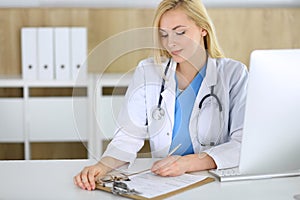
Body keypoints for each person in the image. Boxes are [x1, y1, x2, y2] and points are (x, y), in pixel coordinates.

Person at [74, 0, 248, 191]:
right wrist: (102, 166)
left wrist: (187, 163)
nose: (170, 43)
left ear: (203, 29)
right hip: (165, 184)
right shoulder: (148, 71)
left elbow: (243, 143)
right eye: (164, 34)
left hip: (215, 184)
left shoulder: (233, 74)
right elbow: (127, 136)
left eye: (180, 32)